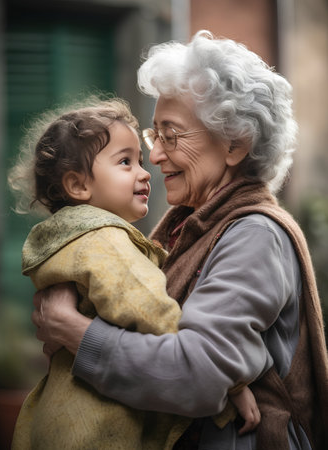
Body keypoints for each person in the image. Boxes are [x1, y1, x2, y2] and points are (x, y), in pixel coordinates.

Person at [31, 31, 328, 450]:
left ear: (234, 145)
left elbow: (197, 377)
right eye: (157, 135)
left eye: (171, 135)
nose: (154, 156)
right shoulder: (186, 228)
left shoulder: (255, 235)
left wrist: (74, 331)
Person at [8, 96, 259, 450]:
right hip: (96, 425)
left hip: (60, 413)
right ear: (78, 186)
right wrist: (230, 385)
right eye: (125, 162)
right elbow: (149, 309)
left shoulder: (70, 238)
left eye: (139, 160)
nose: (145, 171)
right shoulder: (106, 242)